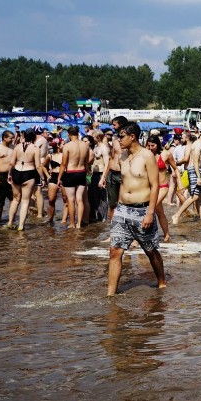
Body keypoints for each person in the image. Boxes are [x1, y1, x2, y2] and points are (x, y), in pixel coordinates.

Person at [107, 122, 166, 296]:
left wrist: (150, 212)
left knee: (150, 250)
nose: (118, 139)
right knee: (115, 251)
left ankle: (161, 281)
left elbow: (155, 186)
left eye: (121, 136)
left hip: (142, 210)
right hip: (123, 210)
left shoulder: (147, 156)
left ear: (132, 137)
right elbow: (123, 184)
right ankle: (111, 294)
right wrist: (116, 210)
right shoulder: (122, 156)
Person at [8, 128, 43, 231]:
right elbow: (38, 166)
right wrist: (43, 178)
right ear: (34, 137)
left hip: (16, 172)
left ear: (24, 136)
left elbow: (11, 163)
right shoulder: (35, 148)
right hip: (29, 173)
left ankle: (10, 223)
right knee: (25, 201)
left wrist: (9, 174)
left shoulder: (17, 147)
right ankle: (20, 226)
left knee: (15, 200)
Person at [59, 125, 93, 229]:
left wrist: (59, 177)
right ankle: (79, 224)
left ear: (69, 134)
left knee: (71, 200)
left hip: (70, 173)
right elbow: (87, 161)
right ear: (78, 133)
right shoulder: (85, 145)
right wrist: (87, 172)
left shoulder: (67, 146)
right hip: (81, 172)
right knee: (80, 199)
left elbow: (64, 163)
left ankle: (72, 224)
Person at [145, 134, 178, 242]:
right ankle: (167, 234)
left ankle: (143, 236)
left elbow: (175, 168)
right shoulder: (146, 155)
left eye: (153, 145)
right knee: (160, 212)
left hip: (163, 186)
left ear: (158, 145)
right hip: (150, 187)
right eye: (148, 145)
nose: (150, 148)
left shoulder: (166, 154)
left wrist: (180, 183)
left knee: (151, 208)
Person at [0, 129, 15, 224]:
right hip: (0, 175)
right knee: (0, 199)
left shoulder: (13, 147)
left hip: (12, 175)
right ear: (4, 138)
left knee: (13, 198)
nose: (12, 140)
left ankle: (11, 218)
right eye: (10, 138)